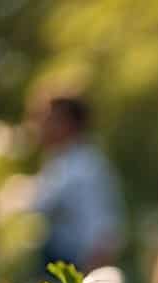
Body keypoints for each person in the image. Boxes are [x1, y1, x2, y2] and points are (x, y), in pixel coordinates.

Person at [27, 93, 125, 273]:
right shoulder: (60, 163)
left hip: (82, 271)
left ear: (68, 124)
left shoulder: (86, 168)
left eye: (47, 120)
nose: (39, 126)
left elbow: (102, 232)